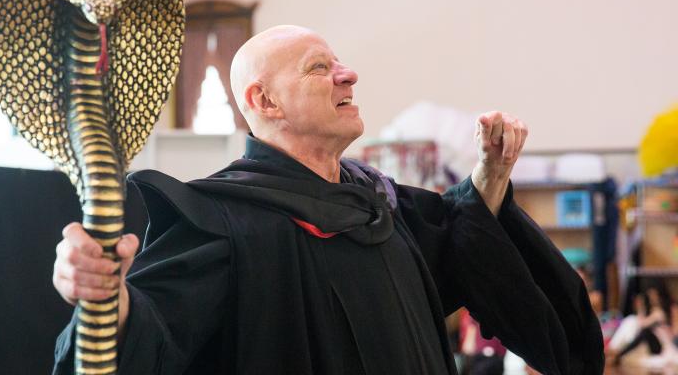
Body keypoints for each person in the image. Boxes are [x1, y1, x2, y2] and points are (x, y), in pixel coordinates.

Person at [52, 25, 603, 374]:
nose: (349, 74)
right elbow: (153, 331)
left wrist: (491, 174)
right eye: (320, 67)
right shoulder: (219, 220)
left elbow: (461, 249)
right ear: (264, 100)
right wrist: (104, 296)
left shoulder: (378, 201)